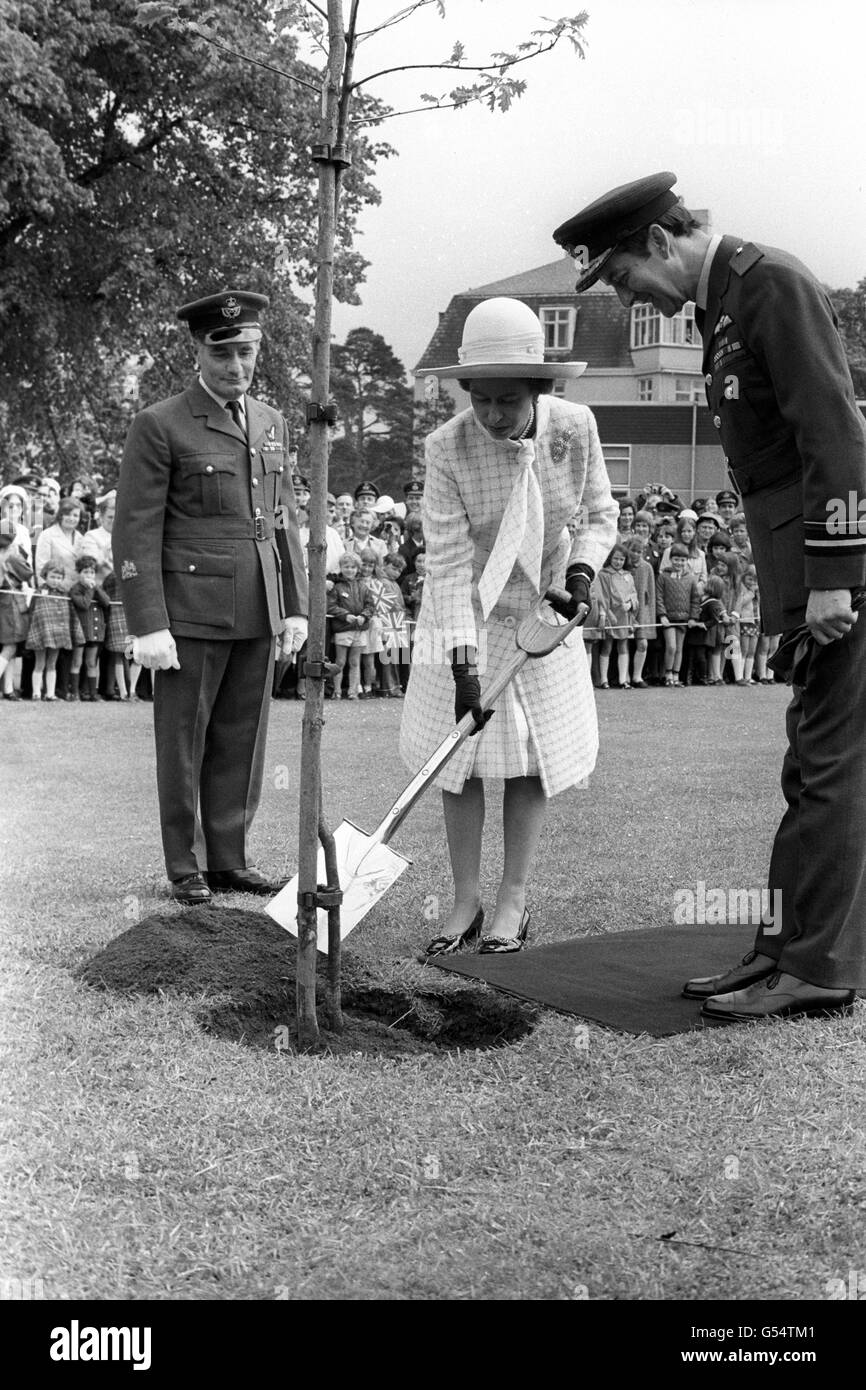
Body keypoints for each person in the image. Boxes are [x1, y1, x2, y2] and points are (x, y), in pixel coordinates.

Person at [554, 169, 866, 1021]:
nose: (625, 298)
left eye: (621, 278)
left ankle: (820, 966)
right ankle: (779, 952)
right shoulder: (723, 304)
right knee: (811, 769)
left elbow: (834, 431)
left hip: (832, 571)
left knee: (834, 771)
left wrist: (838, 575)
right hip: (796, 568)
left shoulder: (772, 284)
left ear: (659, 240)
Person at [400, 297, 618, 955]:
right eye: (480, 398)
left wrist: (581, 572)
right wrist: (464, 666)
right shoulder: (447, 447)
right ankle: (464, 901)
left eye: (508, 400)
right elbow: (445, 561)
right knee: (456, 760)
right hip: (463, 612)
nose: (492, 414)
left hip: (545, 613)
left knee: (526, 759)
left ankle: (512, 902)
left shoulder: (575, 428)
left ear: (539, 387)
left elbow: (601, 514)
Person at [113, 288, 308, 904]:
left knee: (241, 738)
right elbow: (136, 528)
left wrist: (295, 604)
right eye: (224, 354)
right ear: (198, 349)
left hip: (256, 605)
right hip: (189, 610)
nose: (238, 367)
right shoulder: (161, 423)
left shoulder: (272, 423)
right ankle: (186, 863)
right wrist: (148, 622)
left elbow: (283, 519)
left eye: (248, 352)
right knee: (183, 740)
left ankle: (230, 857)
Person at [327, 550, 375, 699]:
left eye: (353, 567)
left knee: (355, 662)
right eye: (346, 566)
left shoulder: (363, 587)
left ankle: (353, 692)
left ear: (357, 569)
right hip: (343, 629)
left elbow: (370, 606)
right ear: (341, 567)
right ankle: (337, 691)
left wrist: (363, 616)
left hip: (360, 629)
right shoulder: (337, 587)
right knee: (340, 661)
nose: (350, 570)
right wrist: (345, 615)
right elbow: (331, 606)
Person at [26, 562, 72, 700]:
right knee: (39, 663)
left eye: (59, 577)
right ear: (45, 576)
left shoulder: (64, 594)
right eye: (52, 576)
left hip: (57, 634)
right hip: (41, 633)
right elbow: (33, 612)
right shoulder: (39, 592)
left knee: (52, 663)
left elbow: (66, 614)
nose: (55, 580)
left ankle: (50, 694)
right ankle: (36, 693)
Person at [68, 554, 111, 701]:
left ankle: (93, 694)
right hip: (80, 632)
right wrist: (91, 590)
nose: (89, 575)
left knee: (92, 662)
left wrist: (96, 589)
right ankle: (75, 693)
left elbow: (107, 602)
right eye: (85, 572)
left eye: (92, 572)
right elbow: (84, 604)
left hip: (95, 631)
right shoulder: (75, 589)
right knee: (77, 662)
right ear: (79, 573)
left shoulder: (96, 588)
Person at [595, 543, 638, 689]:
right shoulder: (603, 574)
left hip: (624, 615)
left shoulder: (628, 576)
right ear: (610, 558)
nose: (618, 562)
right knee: (607, 645)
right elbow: (602, 595)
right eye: (615, 559)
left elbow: (634, 594)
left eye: (621, 559)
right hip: (610, 613)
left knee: (623, 645)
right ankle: (604, 679)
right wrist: (604, 613)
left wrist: (631, 604)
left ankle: (623, 680)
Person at [34, 497, 84, 589]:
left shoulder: (81, 538)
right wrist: (45, 592)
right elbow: (41, 568)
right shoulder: (47, 535)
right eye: (67, 514)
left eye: (75, 515)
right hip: (55, 592)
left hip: (76, 593)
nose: (71, 518)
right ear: (60, 515)